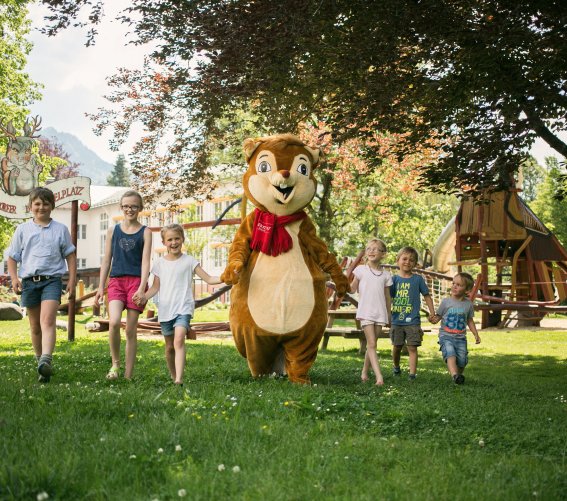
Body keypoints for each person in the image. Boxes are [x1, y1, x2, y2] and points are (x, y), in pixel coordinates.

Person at [136, 224, 222, 385]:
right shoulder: (160, 264)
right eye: (170, 239)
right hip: (166, 310)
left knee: (179, 339)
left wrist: (227, 276)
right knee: (169, 347)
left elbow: (209, 279)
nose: (174, 242)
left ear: (182, 239)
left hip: (184, 308)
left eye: (177, 238)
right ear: (164, 242)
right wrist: (144, 297)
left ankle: (179, 380)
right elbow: (155, 287)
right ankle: (173, 374)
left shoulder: (190, 261)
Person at [7, 187, 77, 383]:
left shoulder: (60, 230)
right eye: (37, 204)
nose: (41, 207)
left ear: (52, 206)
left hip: (52, 281)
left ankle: (47, 358)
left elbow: (70, 256)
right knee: (35, 326)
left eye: (46, 203)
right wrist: (14, 278)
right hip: (30, 282)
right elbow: (12, 258)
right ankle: (41, 366)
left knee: (47, 321)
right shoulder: (22, 230)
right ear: (31, 207)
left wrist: (71, 280)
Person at [94, 190, 152, 380]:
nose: (130, 209)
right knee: (115, 322)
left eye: (134, 206)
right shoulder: (113, 230)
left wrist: (142, 287)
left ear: (140, 208)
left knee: (130, 329)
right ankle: (115, 365)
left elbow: (145, 262)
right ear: (121, 207)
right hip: (116, 281)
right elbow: (106, 260)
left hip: (136, 282)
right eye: (126, 206)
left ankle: (128, 374)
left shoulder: (146, 232)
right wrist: (100, 287)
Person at [350, 239, 392, 385]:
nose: (371, 251)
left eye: (375, 249)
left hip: (380, 313)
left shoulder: (386, 275)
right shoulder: (360, 270)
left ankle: (364, 372)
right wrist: (340, 285)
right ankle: (379, 376)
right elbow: (352, 289)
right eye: (369, 249)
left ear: (383, 254)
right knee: (372, 344)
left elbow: (387, 297)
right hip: (366, 311)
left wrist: (389, 314)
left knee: (372, 344)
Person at [390, 246, 435, 380]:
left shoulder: (418, 279)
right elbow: (388, 298)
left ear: (415, 264)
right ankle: (396, 367)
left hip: (413, 320)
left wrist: (432, 312)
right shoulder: (393, 280)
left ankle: (412, 375)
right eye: (404, 259)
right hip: (397, 320)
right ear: (397, 260)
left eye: (411, 260)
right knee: (397, 347)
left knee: (412, 348)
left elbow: (427, 296)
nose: (407, 262)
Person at [430, 272, 481, 384]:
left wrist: (475, 334)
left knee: (462, 361)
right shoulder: (446, 302)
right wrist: (432, 319)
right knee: (450, 353)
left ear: (467, 290)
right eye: (453, 283)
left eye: (459, 285)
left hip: (460, 338)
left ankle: (458, 376)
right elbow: (438, 317)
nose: (454, 286)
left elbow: (469, 320)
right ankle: (454, 376)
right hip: (446, 336)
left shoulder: (468, 305)